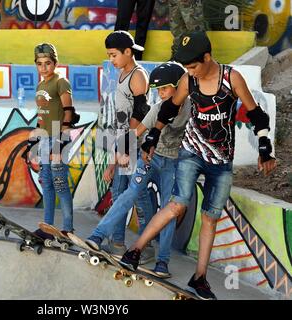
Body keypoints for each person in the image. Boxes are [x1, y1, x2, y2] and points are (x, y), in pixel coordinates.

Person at [119, 31, 277, 300]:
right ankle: (134, 251)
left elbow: (256, 115)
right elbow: (170, 108)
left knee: (210, 218)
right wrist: (153, 136)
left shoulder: (231, 78)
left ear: (207, 57)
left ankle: (200, 277)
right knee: (177, 204)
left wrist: (265, 147)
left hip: (221, 160)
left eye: (193, 65)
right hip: (191, 152)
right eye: (186, 67)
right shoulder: (188, 80)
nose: (190, 71)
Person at [87, 62, 190, 278]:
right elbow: (136, 132)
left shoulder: (192, 109)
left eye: (164, 89)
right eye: (158, 90)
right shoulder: (158, 108)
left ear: (179, 86)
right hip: (149, 158)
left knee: (168, 209)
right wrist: (118, 156)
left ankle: (162, 262)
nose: (160, 95)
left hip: (174, 164)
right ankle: (97, 236)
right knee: (130, 193)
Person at [97, 30, 152, 257]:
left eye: (113, 55)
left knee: (137, 195)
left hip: (132, 145)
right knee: (120, 192)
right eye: (108, 55)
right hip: (123, 142)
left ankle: (147, 245)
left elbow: (141, 111)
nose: (111, 60)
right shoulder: (123, 73)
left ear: (128, 52)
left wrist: (125, 148)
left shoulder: (137, 76)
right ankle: (117, 242)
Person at [22, 43, 79, 239]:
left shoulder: (61, 82)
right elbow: (41, 117)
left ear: (55, 63)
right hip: (45, 138)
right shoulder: (40, 85)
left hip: (58, 138)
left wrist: (61, 142)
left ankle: (68, 228)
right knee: (46, 183)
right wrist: (33, 144)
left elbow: (69, 112)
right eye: (39, 64)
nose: (43, 67)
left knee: (59, 183)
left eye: (47, 63)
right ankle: (47, 227)